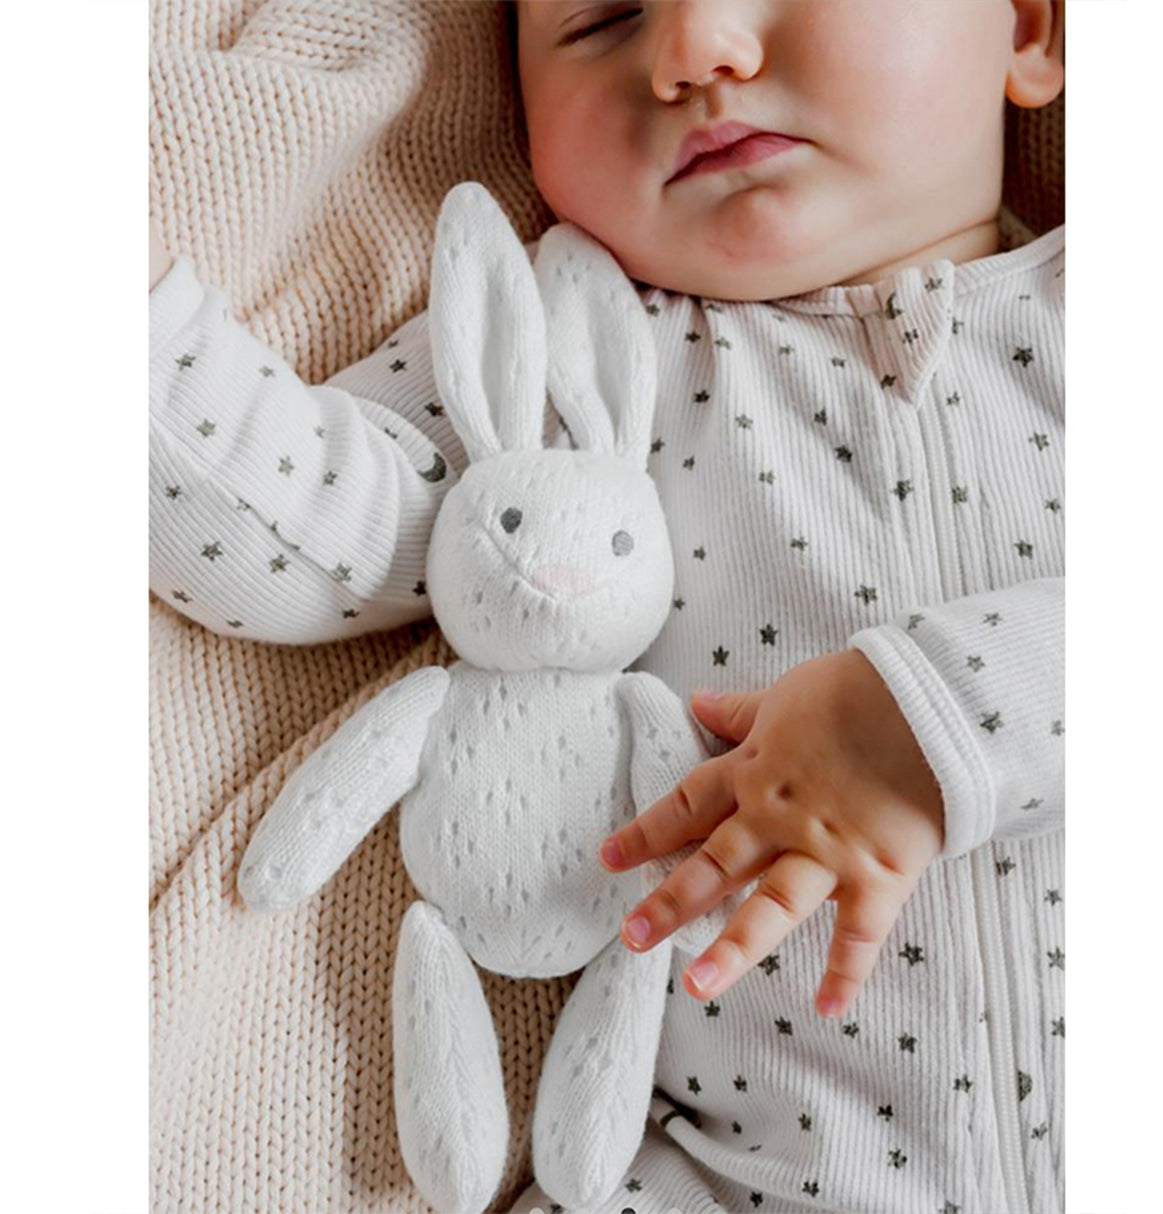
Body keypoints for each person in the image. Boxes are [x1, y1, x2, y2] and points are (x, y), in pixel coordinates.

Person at [148, 2, 1065, 1210]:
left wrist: (945, 717)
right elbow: (318, 534)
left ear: (1026, 29)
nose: (691, 51)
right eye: (600, 19)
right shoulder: (583, 357)